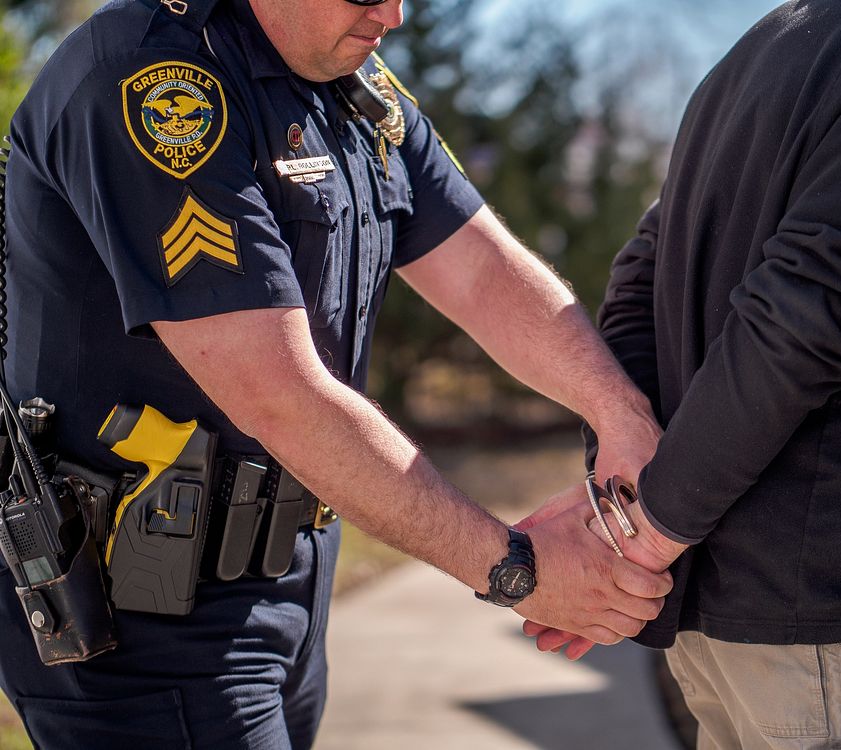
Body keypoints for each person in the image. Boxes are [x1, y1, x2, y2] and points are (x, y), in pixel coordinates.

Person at [0, 0, 670, 747]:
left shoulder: (354, 85)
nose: (397, 13)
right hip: (144, 621)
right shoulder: (155, 83)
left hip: (287, 589)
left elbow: (482, 270)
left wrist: (620, 415)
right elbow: (281, 397)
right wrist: (517, 569)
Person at [522, 0, 841, 746]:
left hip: (737, 631)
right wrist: (643, 536)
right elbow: (802, 320)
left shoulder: (760, 52)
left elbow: (639, 277)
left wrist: (632, 515)